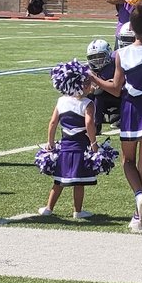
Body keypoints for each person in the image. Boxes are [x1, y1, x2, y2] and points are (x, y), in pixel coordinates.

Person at [90, 0, 142, 232]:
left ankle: (139, 196)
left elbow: (115, 88)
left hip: (130, 112)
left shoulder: (121, 54)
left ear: (131, 27)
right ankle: (139, 215)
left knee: (127, 161)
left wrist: (94, 78)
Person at [39, 71, 98, 220]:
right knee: (79, 182)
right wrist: (94, 143)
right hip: (81, 147)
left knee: (59, 180)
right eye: (86, 83)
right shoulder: (88, 103)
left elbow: (53, 123)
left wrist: (50, 142)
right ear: (80, 86)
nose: (89, 85)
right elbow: (89, 124)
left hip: (65, 146)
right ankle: (77, 211)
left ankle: (48, 208)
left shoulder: (61, 101)